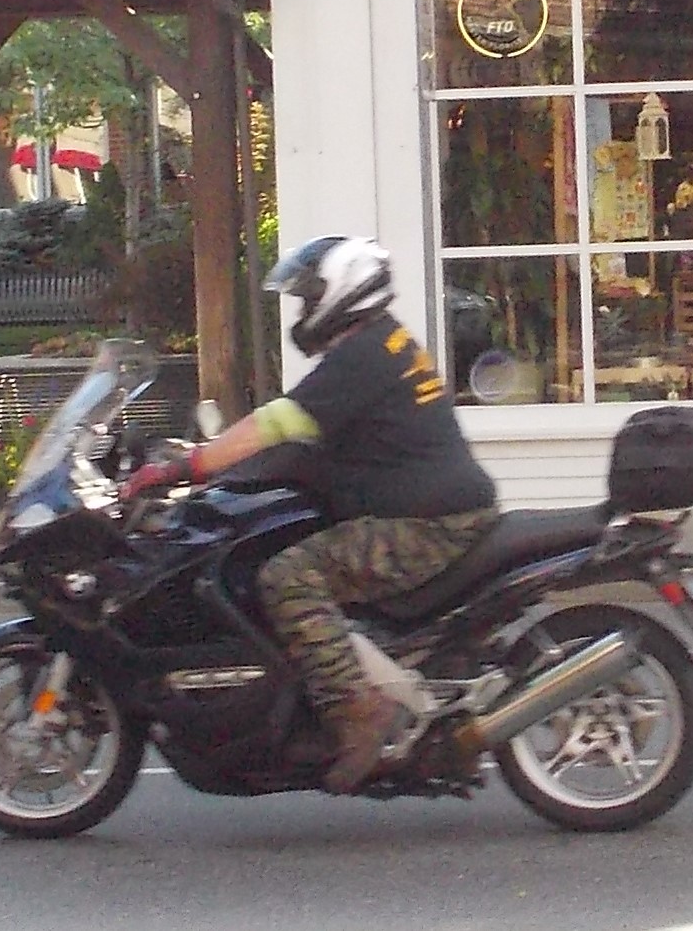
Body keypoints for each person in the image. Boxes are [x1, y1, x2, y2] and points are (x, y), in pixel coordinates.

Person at [118, 234, 498, 793]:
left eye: (307, 296)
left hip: (430, 525)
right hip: (441, 510)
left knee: (288, 576)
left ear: (343, 293)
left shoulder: (362, 357)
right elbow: (303, 441)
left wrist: (186, 468)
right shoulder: (382, 344)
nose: (301, 309)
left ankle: (359, 709)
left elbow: (278, 423)